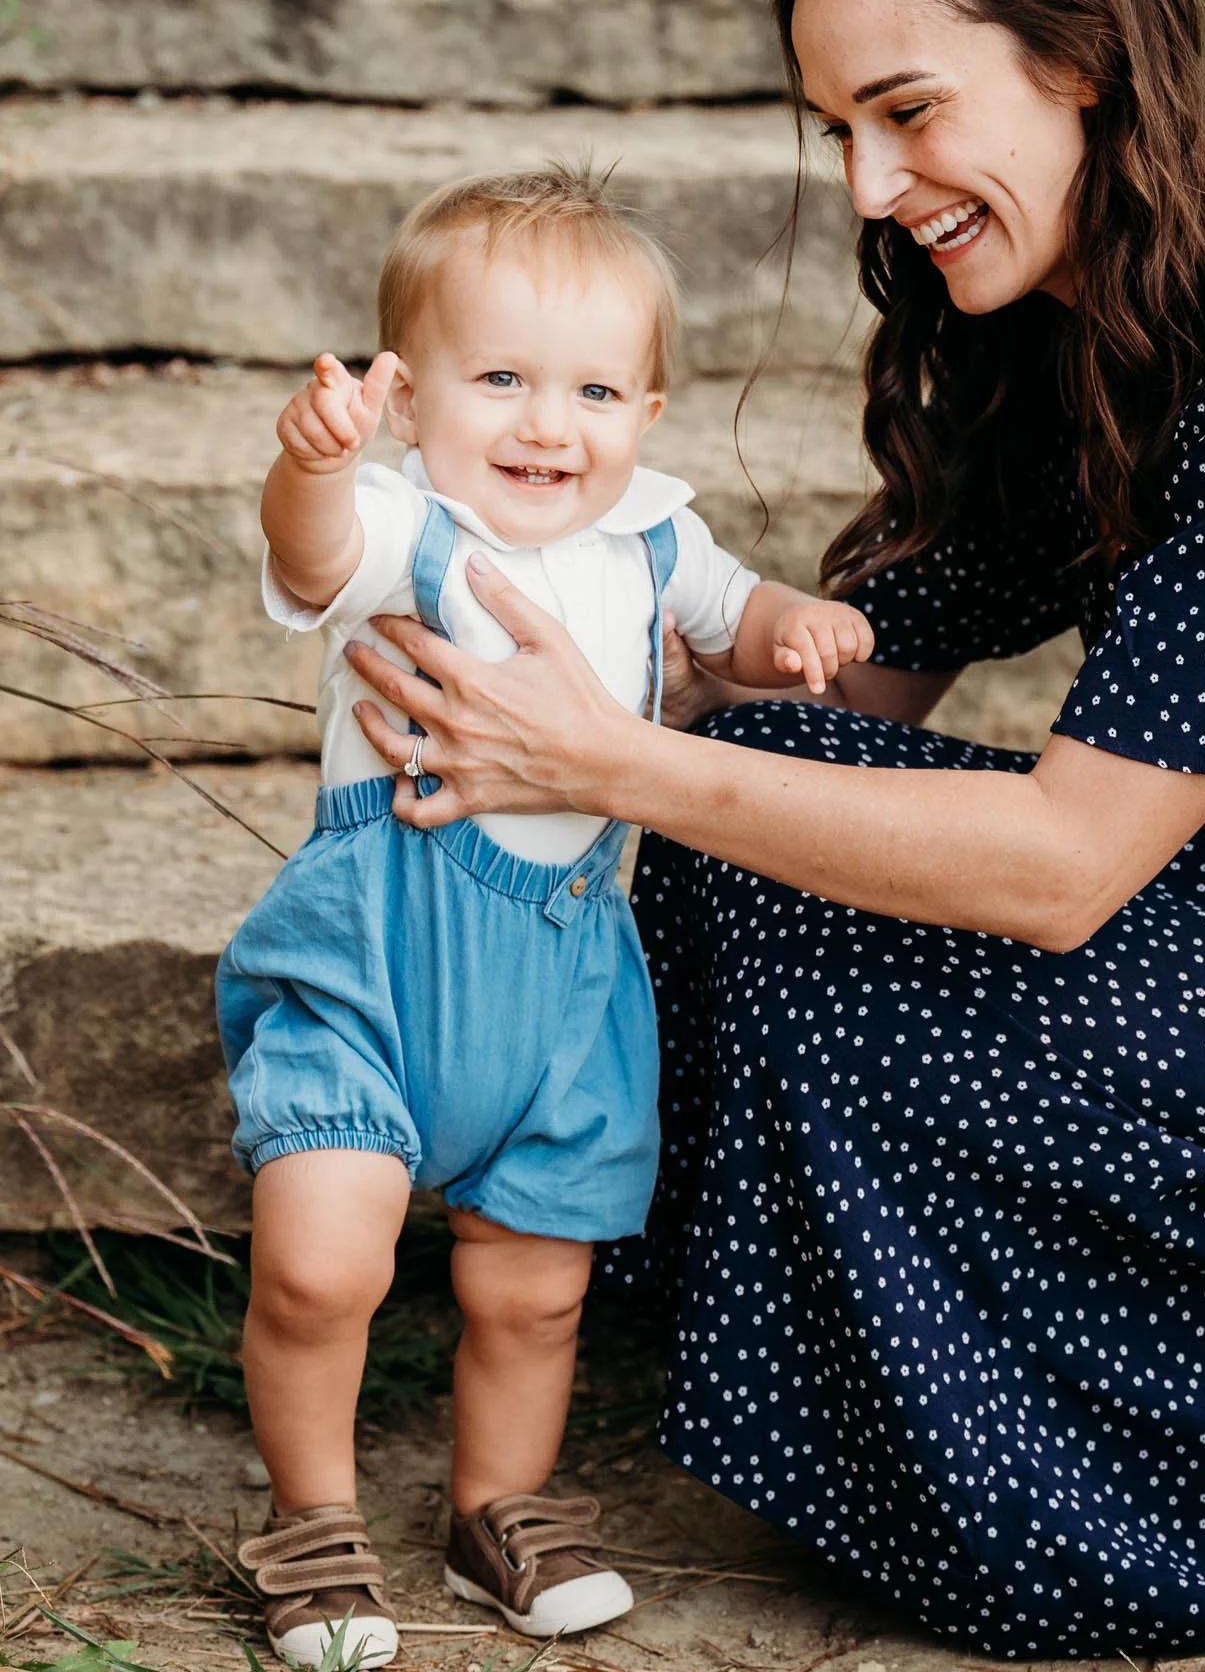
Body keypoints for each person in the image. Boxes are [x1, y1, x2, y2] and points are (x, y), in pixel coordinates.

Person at [341, 0, 1205, 1656]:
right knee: (760, 819)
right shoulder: (1104, 320)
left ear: (1086, 59)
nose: (870, 187)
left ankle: (1096, 1482)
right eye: (840, 135)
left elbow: (1056, 871)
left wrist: (621, 765)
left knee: (772, 827)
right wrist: (543, 629)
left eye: (909, 110)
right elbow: (850, 676)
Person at [216, 165, 873, 1668]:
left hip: (567, 990)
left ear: (644, 416)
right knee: (322, 1264)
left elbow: (738, 614)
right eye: (498, 378)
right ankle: (313, 1527)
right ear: (407, 397)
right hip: (374, 969)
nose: (542, 424)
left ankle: (494, 1506)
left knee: (535, 1293)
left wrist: (797, 630)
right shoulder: (401, 522)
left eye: (590, 389)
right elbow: (311, 557)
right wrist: (308, 468)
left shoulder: (653, 540)